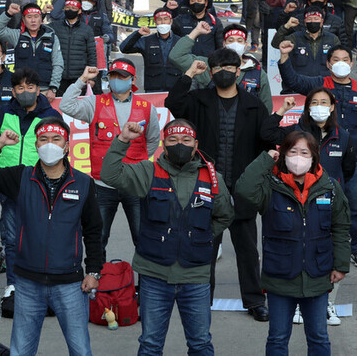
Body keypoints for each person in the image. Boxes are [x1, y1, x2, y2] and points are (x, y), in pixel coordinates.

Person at [0, 118, 103, 356]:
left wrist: (93, 271)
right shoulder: (21, 177)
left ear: (67, 145)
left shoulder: (83, 183)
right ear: (37, 145)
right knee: (21, 351)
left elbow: (93, 230)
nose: (50, 144)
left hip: (69, 283)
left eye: (56, 139)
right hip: (28, 283)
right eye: (44, 139)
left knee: (81, 350)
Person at [101, 119, 234, 354]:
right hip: (154, 275)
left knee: (200, 344)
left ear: (195, 145)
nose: (179, 144)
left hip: (196, 277)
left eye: (185, 140)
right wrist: (122, 140)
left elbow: (224, 215)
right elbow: (110, 175)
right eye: (172, 140)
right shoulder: (148, 171)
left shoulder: (212, 178)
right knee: (150, 345)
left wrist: (199, 237)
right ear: (164, 144)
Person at [165, 51, 270, 320]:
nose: (224, 70)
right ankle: (202, 297)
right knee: (205, 244)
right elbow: (173, 102)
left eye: (229, 66)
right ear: (210, 72)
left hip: (242, 186)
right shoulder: (199, 100)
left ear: (238, 71)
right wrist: (189, 73)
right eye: (218, 67)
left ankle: (255, 300)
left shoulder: (254, 105)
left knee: (247, 248)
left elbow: (264, 147)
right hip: (206, 184)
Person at [235, 131, 350, 354]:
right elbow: (243, 190)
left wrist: (341, 264)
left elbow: (341, 227)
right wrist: (266, 159)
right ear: (283, 154)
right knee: (278, 338)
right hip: (280, 277)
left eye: (304, 152)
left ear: (314, 156)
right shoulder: (270, 186)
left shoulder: (330, 187)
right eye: (293, 151)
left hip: (317, 275)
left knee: (318, 337)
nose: (298, 157)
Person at [278, 42, 357, 267]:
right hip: (319, 156)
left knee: (354, 205)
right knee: (315, 204)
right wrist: (284, 57)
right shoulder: (320, 84)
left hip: (352, 158)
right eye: (335, 60)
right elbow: (293, 80)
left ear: (351, 63)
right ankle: (316, 245)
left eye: (345, 59)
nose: (341, 63)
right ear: (328, 64)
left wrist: (354, 139)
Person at [0, 67, 61, 298]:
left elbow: (61, 148)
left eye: (30, 87)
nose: (25, 91)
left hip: (39, 180)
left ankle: (41, 281)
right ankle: (13, 283)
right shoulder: (4, 112)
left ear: (38, 90)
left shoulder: (50, 116)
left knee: (40, 235)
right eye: (20, 87)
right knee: (11, 238)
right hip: (9, 181)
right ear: (13, 91)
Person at [60, 59, 160, 258]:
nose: (116, 80)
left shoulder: (147, 107)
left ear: (132, 80)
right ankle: (98, 280)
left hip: (135, 183)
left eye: (122, 76)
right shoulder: (94, 103)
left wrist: (135, 164)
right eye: (113, 75)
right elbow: (66, 105)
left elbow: (153, 140)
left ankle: (147, 285)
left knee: (143, 237)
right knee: (98, 237)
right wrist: (82, 80)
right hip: (102, 184)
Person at [171, 22, 273, 111]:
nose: (235, 44)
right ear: (224, 44)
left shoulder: (257, 71)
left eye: (240, 40)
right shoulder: (210, 65)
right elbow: (176, 56)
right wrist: (196, 32)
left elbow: (266, 108)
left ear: (245, 45)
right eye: (230, 40)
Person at [0, 2, 63, 100]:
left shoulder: (52, 37)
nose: (33, 20)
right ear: (23, 20)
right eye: (29, 17)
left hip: (45, 90)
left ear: (41, 18)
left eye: (36, 16)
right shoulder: (17, 36)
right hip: (22, 90)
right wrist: (9, 13)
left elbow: (58, 64)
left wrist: (53, 88)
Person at [119, 7, 182, 93]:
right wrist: (138, 34)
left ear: (171, 21)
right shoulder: (147, 41)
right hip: (153, 89)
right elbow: (124, 48)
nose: (163, 22)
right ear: (155, 22)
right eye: (159, 19)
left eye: (165, 19)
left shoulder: (180, 41)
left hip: (176, 88)